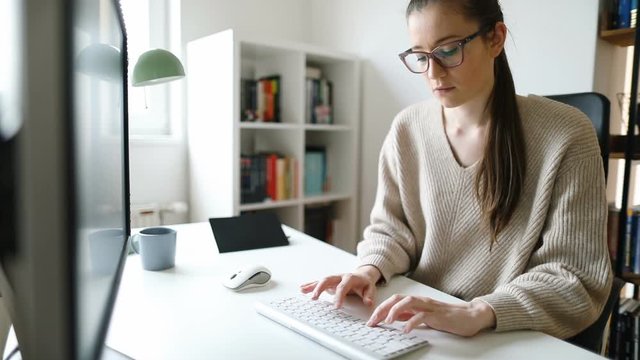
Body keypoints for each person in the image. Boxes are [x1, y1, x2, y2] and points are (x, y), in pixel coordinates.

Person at [300, 0, 613, 339]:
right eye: (421, 56)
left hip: (502, 335)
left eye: (448, 51)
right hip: (414, 324)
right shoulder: (407, 128)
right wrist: (369, 269)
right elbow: (391, 229)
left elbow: (575, 278)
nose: (433, 73)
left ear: (495, 38)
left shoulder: (566, 134)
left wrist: (478, 312)